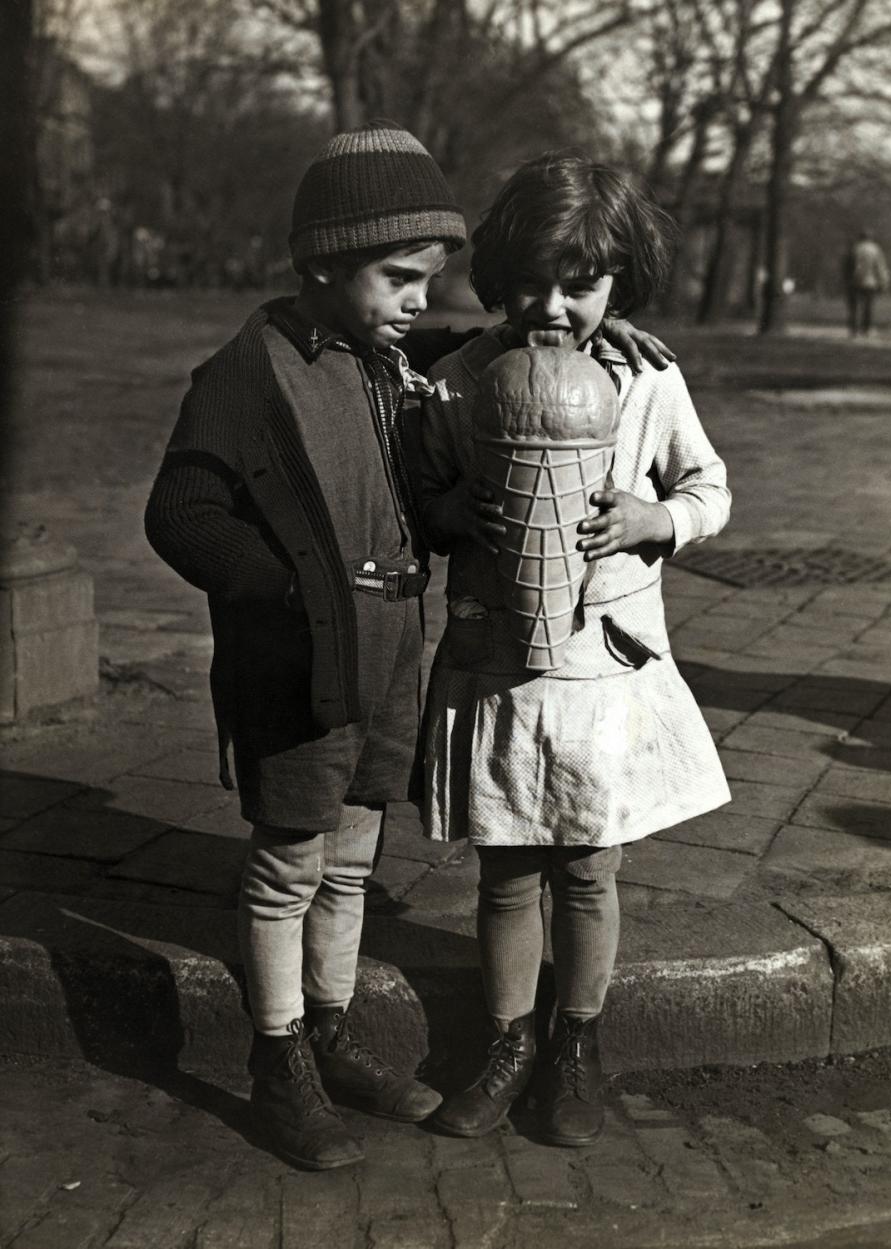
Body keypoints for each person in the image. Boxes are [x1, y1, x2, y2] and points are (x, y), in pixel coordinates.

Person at [144, 123, 672, 1172]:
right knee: (286, 865)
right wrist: (286, 586)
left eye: (429, 279)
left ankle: (332, 1033)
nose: (421, 301)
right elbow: (181, 510)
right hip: (295, 663)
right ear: (324, 262)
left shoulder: (388, 356)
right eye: (400, 278)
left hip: (383, 659)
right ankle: (277, 1055)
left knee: (349, 861)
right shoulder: (248, 370)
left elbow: (473, 356)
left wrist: (612, 340)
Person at [418, 151, 732, 1148]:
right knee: (507, 868)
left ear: (620, 284)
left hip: (602, 664)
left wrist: (654, 518)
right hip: (501, 665)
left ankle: (577, 1045)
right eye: (531, 283)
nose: (552, 305)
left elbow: (709, 488)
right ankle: (506, 1041)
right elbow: (414, 495)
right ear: (499, 278)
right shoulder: (459, 383)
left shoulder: (647, 378)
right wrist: (448, 511)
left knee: (589, 868)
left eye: (582, 284)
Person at [843, 230, 889, 337]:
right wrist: (883, 281)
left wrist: (846, 279)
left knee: (853, 307)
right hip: (870, 281)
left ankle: (853, 328)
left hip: (854, 280)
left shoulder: (854, 248)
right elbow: (880, 266)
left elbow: (848, 265)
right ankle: (866, 329)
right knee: (868, 306)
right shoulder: (875, 249)